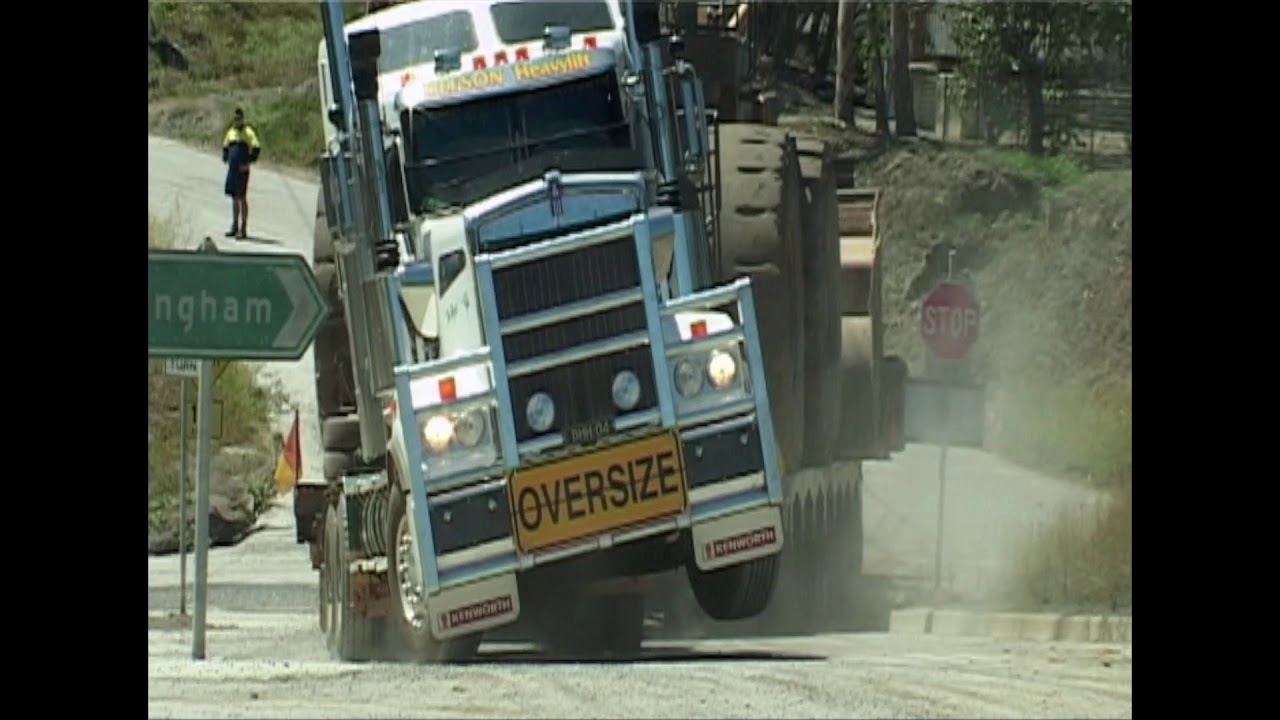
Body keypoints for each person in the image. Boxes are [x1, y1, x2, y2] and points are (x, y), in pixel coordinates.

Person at [222, 108, 261, 239]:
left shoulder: (248, 132)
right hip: (232, 170)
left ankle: (243, 228)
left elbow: (256, 148)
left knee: (242, 197)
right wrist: (226, 156)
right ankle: (234, 226)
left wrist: (248, 162)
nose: (236, 121)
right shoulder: (230, 132)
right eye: (234, 119)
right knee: (234, 198)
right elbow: (225, 146)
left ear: (242, 119)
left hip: (242, 170)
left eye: (238, 119)